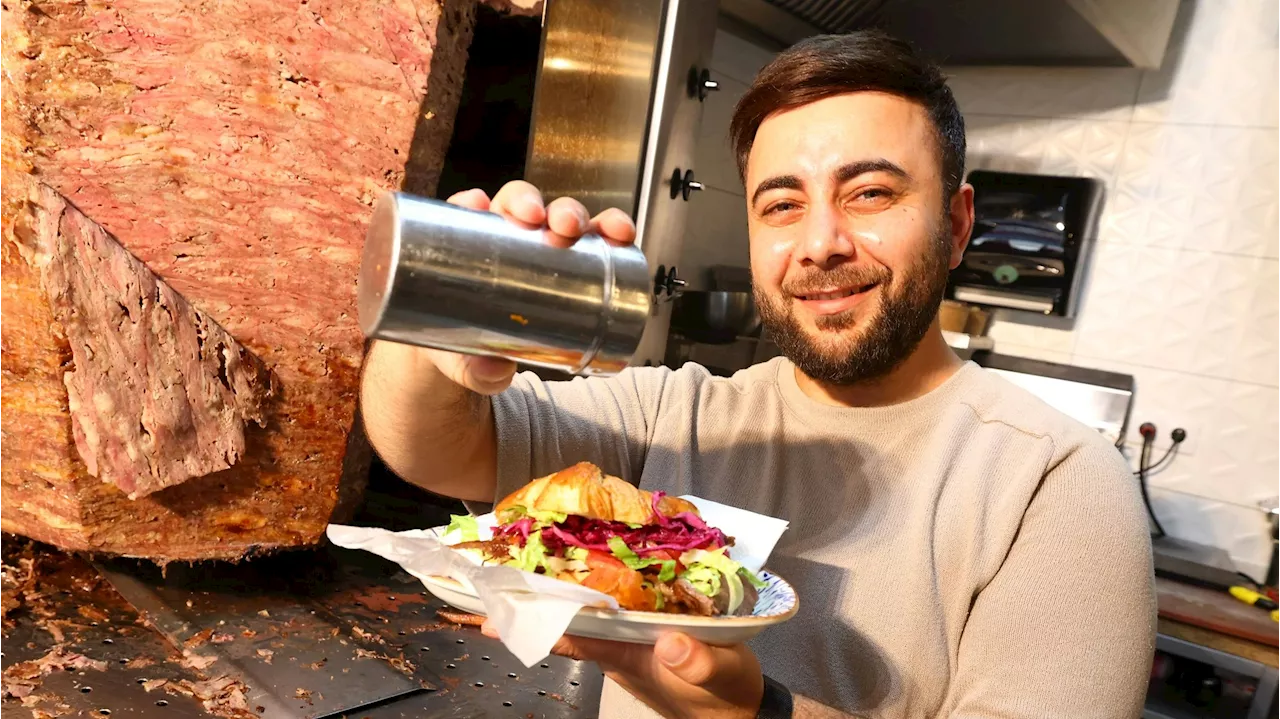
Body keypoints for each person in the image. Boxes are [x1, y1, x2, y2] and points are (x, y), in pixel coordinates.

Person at [361, 30, 1156, 719]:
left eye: (870, 192)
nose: (820, 243)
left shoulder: (1060, 485)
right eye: (781, 204)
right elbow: (431, 448)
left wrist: (752, 710)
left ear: (954, 226)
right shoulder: (676, 411)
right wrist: (442, 319)